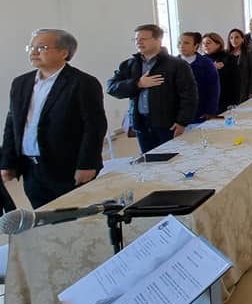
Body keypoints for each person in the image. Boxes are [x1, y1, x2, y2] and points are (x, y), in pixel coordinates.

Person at [1, 29, 108, 208]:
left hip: (67, 166)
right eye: (31, 47)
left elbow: (94, 126)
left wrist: (87, 164)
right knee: (43, 215)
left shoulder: (82, 82)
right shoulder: (21, 83)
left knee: (74, 216)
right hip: (31, 168)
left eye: (41, 47)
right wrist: (7, 161)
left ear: (63, 53)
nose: (34, 52)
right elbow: (13, 124)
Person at [107, 24, 198, 154]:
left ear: (158, 40)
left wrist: (182, 121)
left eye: (143, 39)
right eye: (136, 39)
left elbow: (189, 95)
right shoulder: (130, 64)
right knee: (149, 161)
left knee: (173, 160)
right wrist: (138, 84)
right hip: (141, 123)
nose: (139, 42)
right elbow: (112, 87)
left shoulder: (177, 64)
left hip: (168, 124)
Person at [178, 32, 220, 123]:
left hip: (200, 113)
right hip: (177, 115)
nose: (181, 46)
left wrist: (210, 112)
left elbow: (213, 90)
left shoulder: (206, 64)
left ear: (196, 46)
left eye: (186, 43)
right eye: (179, 43)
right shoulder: (172, 64)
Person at [201, 32, 238, 113]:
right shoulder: (201, 60)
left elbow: (235, 81)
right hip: (207, 100)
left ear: (218, 44)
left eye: (208, 43)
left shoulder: (228, 58)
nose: (205, 45)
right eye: (203, 43)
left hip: (225, 99)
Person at [225, 28, 252, 103]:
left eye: (237, 37)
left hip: (243, 88)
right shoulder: (226, 53)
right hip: (229, 88)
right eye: (231, 38)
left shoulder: (249, 52)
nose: (234, 40)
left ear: (242, 39)